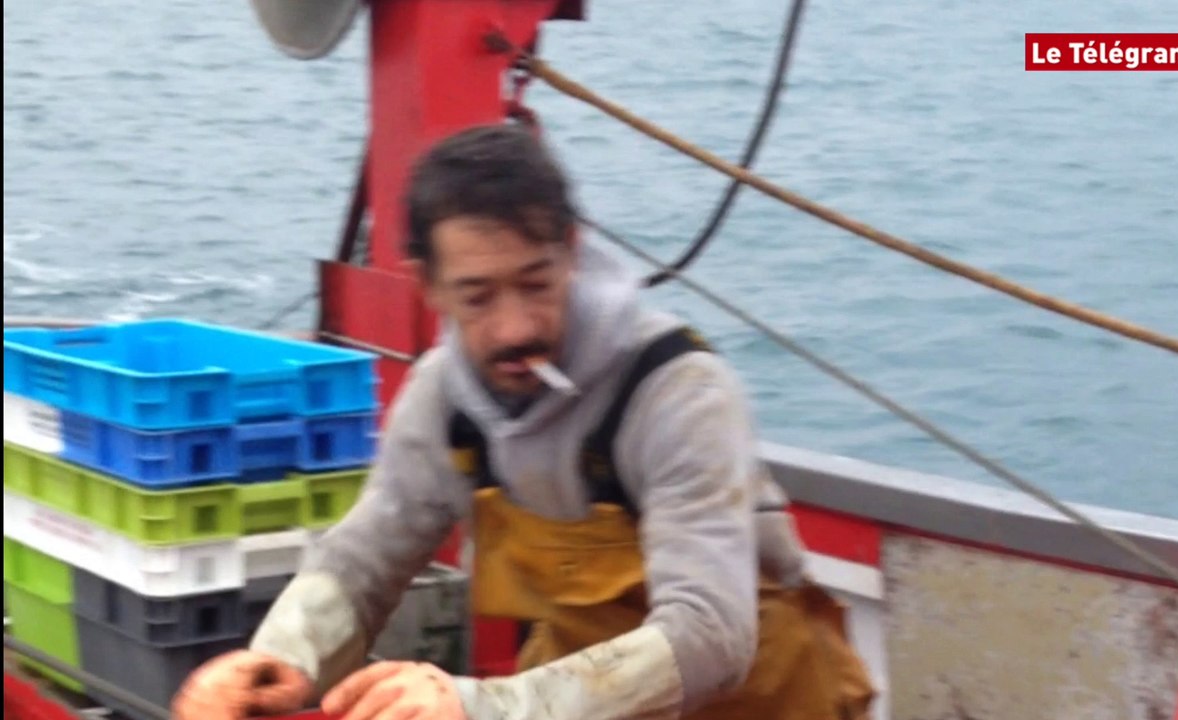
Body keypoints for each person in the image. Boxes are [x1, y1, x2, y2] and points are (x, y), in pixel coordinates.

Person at [171, 123, 876, 720]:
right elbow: (363, 562)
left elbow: (711, 636)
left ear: (571, 251)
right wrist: (277, 660)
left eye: (536, 284)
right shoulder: (442, 402)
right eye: (476, 297)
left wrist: (482, 705)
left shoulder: (679, 392)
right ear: (427, 285)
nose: (514, 328)